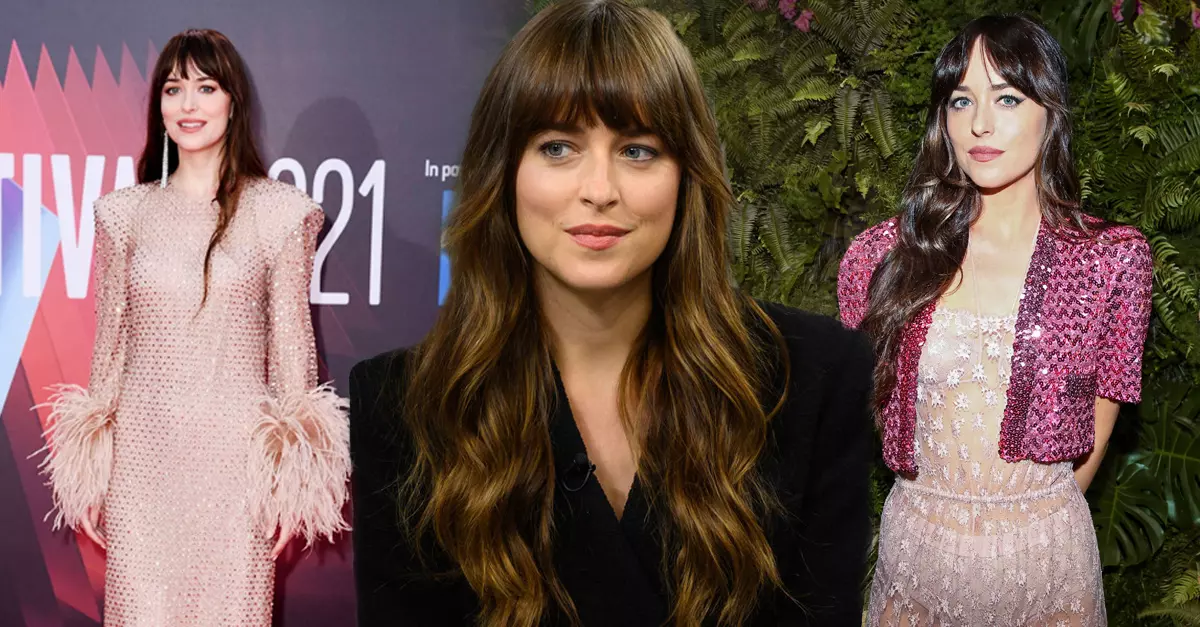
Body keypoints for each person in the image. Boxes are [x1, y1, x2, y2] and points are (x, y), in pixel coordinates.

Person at [349, 1, 873, 625]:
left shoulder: (814, 378)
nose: (599, 190)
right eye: (558, 147)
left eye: (638, 151)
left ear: (687, 176)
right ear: (503, 171)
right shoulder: (402, 406)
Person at [838, 15, 1152, 626]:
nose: (980, 123)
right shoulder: (881, 258)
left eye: (1007, 98)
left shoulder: (1110, 261)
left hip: (1048, 560)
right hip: (918, 555)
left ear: (1050, 113)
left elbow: (1098, 425)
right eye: (962, 101)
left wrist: (1031, 523)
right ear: (943, 119)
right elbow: (869, 408)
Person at [36, 29, 350, 626]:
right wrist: (92, 475)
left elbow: (294, 357)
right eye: (174, 89)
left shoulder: (280, 214)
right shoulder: (123, 215)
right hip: (141, 470)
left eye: (206, 88)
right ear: (158, 103)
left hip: (234, 476)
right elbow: (109, 354)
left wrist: (292, 481)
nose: (188, 104)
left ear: (233, 101)